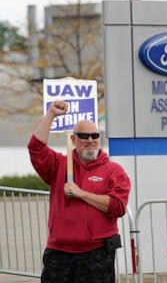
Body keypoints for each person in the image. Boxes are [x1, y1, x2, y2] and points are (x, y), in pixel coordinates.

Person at [28, 100, 131, 283]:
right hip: (58, 253)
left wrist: (81, 193)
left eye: (94, 135)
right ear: (73, 140)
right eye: (84, 136)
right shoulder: (58, 165)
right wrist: (51, 114)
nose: (90, 140)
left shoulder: (114, 171)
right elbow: (36, 148)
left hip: (97, 254)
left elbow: (118, 207)